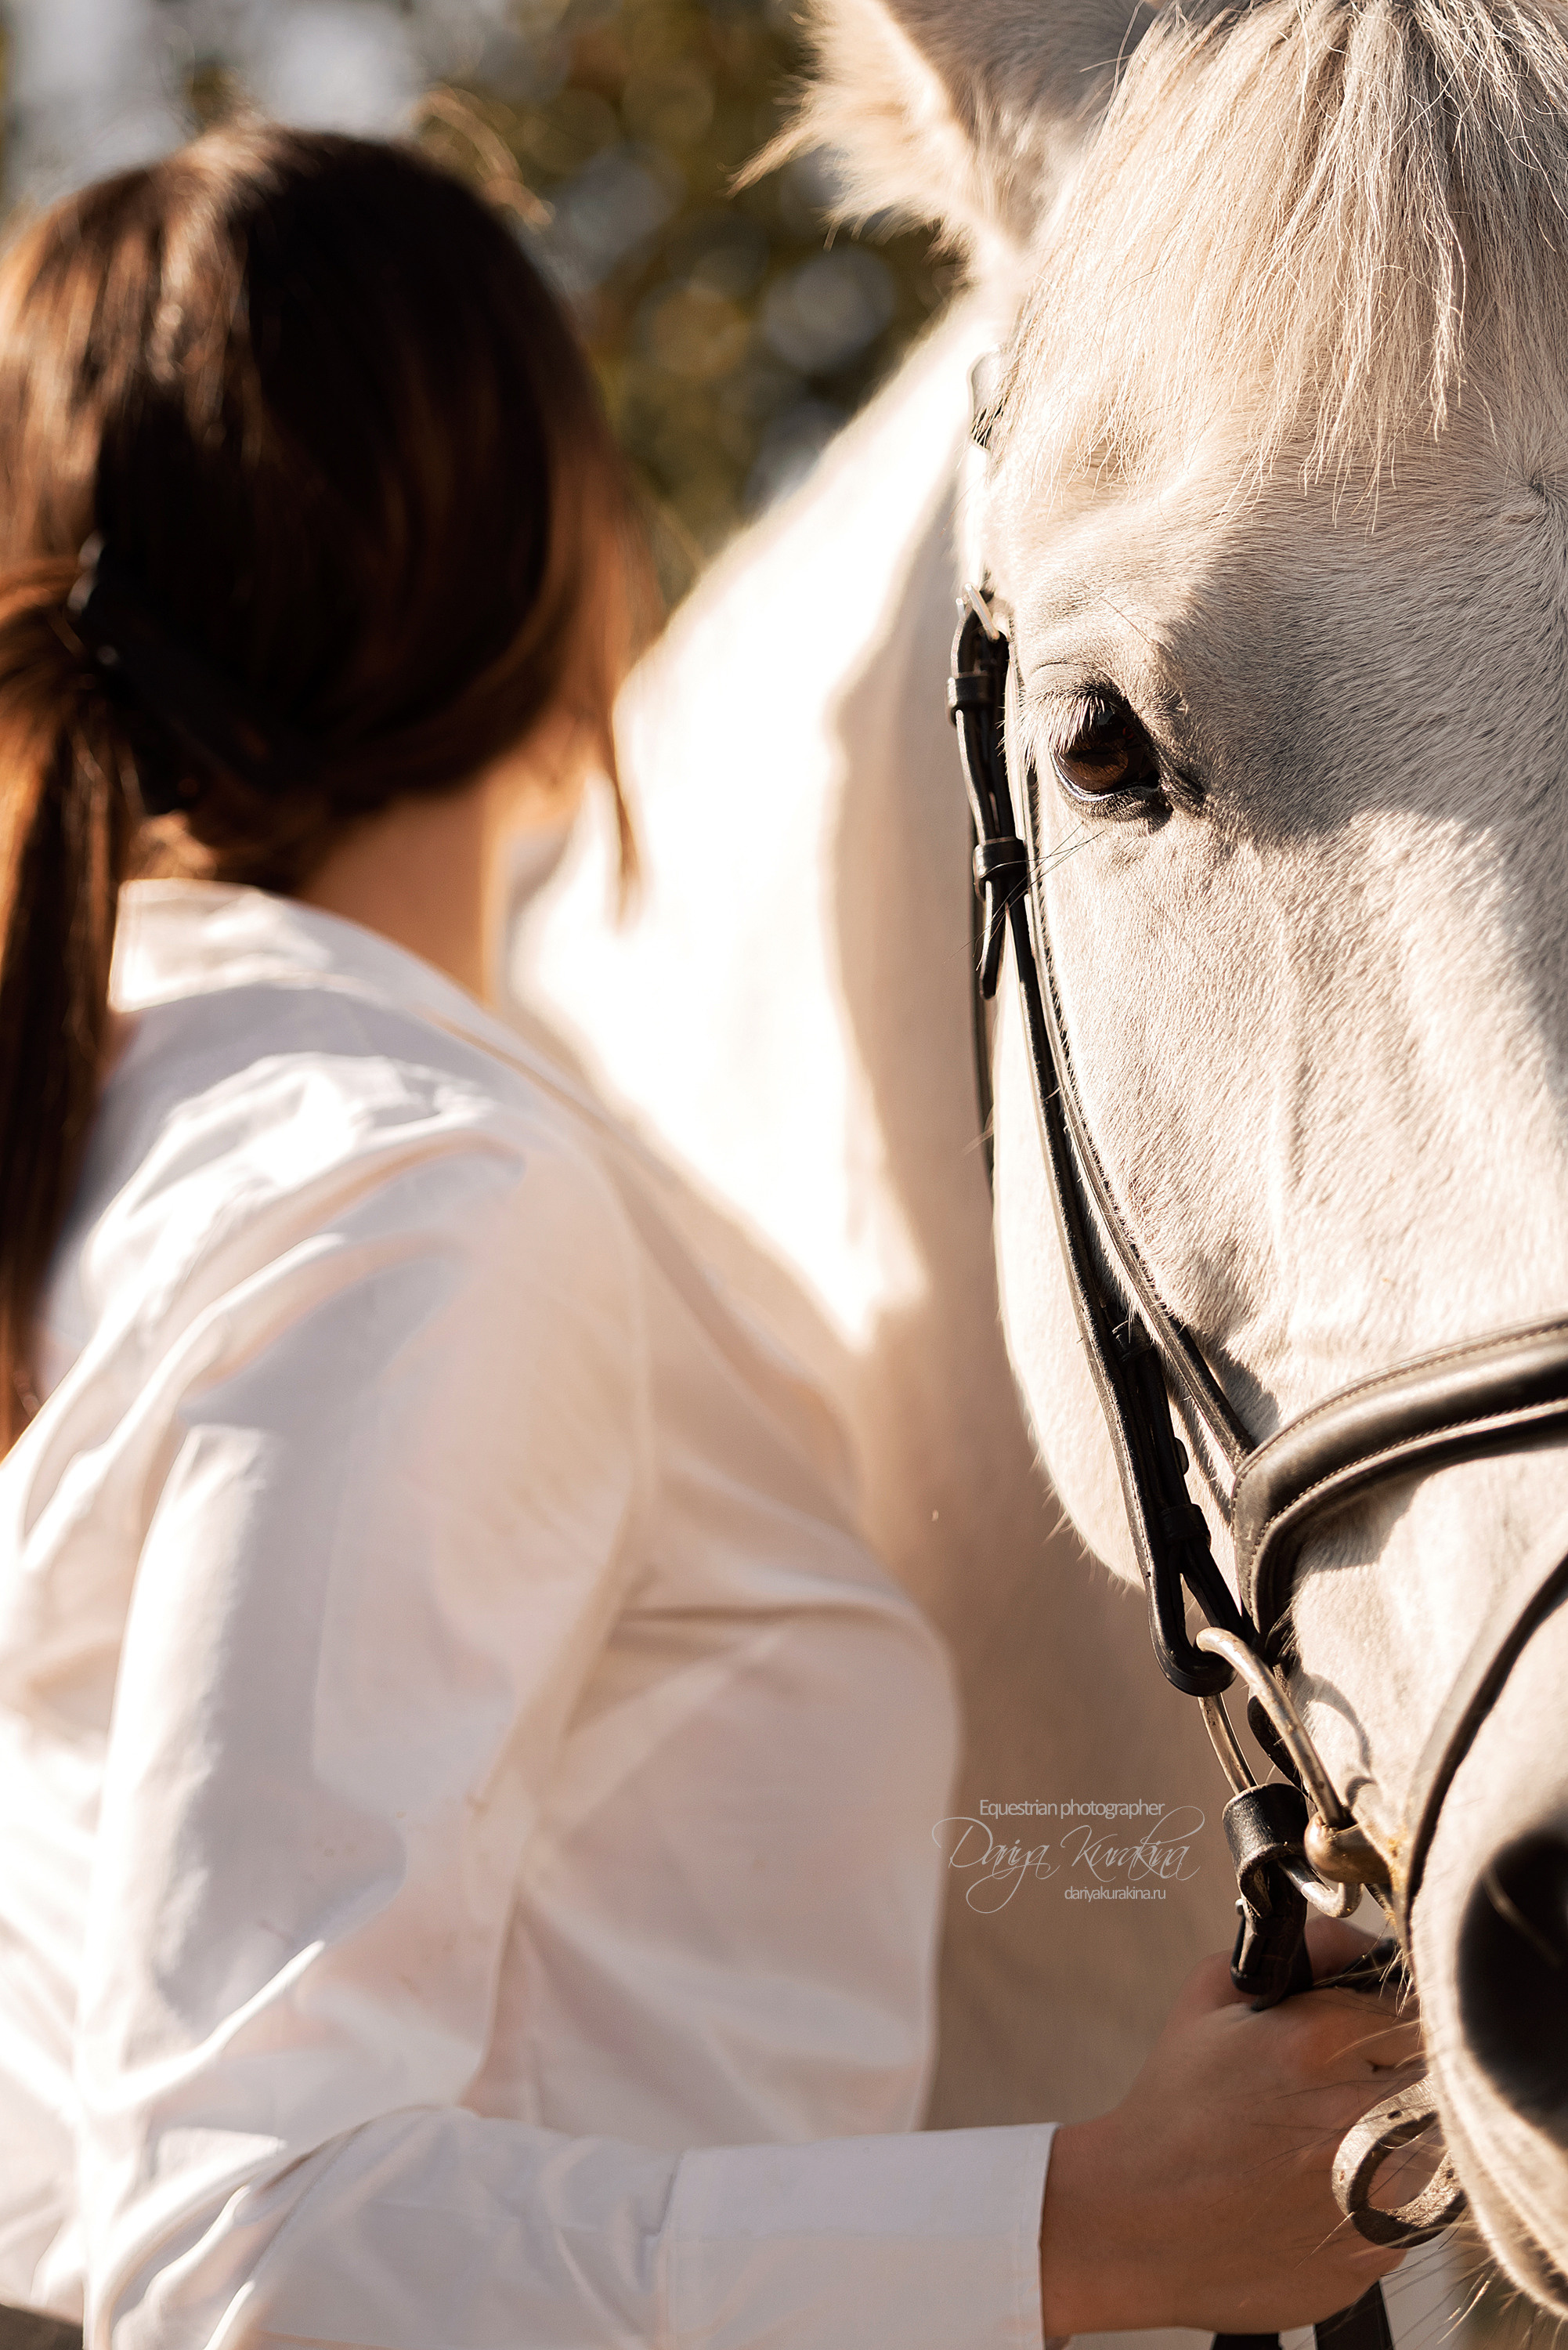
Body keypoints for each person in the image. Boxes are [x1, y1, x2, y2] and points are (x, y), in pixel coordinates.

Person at [0, 125, 1417, 2350]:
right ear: (565, 571)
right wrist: (1090, 2230)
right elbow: (241, 2239)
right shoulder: (415, 1201)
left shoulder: (132, 1126)